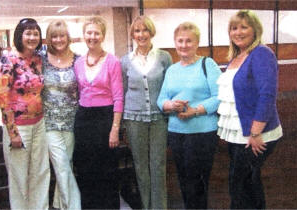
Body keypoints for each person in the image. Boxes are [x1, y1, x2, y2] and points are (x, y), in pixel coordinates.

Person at [217, 10, 283, 209]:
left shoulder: (261, 53)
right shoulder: (237, 56)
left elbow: (267, 94)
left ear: (255, 29)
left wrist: (255, 132)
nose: (238, 32)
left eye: (244, 27)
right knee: (248, 181)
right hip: (239, 131)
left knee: (238, 183)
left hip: (256, 132)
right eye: (234, 28)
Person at [157, 22, 221, 209]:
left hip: (202, 133)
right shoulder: (172, 70)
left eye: (189, 41)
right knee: (184, 181)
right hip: (177, 133)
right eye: (180, 41)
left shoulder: (207, 64)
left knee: (197, 183)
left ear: (197, 43)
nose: (184, 45)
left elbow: (219, 96)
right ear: (175, 43)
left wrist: (196, 110)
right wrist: (171, 105)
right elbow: (161, 99)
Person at [0, 18, 50, 209]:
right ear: (19, 35)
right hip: (18, 126)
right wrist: (12, 132)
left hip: (39, 123)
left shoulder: (38, 59)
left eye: (35, 33)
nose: (32, 37)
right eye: (28, 33)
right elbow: (3, 99)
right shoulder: (8, 60)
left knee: (41, 172)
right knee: (19, 176)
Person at [121, 15, 172, 209]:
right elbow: (124, 91)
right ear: (132, 34)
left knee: (158, 164)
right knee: (140, 166)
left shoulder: (164, 57)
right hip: (134, 118)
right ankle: (145, 205)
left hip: (159, 118)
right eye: (137, 31)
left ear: (151, 32)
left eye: (145, 30)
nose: (141, 35)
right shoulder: (125, 61)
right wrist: (123, 124)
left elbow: (169, 87)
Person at [73, 16, 123, 209]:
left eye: (96, 33)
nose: (92, 36)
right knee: (86, 170)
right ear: (84, 35)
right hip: (84, 120)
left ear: (103, 36)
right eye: (89, 32)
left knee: (107, 171)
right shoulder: (78, 63)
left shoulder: (112, 62)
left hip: (105, 120)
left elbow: (118, 97)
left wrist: (115, 129)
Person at [42, 19, 81, 209]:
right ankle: (74, 206)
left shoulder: (78, 60)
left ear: (68, 37)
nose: (58, 40)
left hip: (72, 122)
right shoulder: (41, 59)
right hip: (50, 124)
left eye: (62, 35)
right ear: (49, 38)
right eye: (54, 36)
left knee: (66, 166)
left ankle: (59, 205)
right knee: (62, 166)